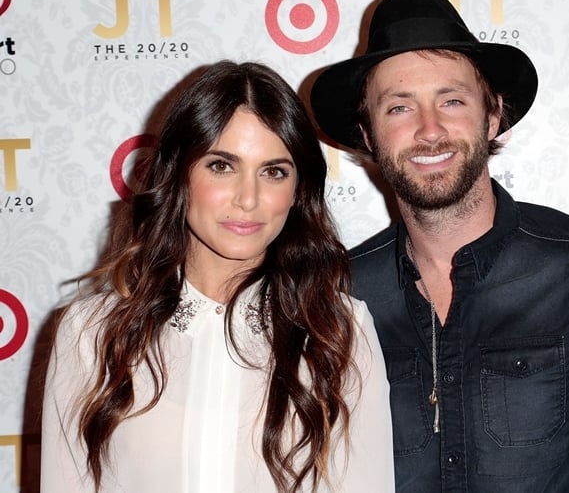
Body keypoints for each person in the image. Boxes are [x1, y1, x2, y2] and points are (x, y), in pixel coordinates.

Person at [309, 0, 569, 492]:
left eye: (452, 100)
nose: (429, 129)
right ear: (368, 133)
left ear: (493, 117)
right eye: (399, 108)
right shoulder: (335, 293)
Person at [41, 60, 394, 493]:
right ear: (179, 174)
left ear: (298, 190)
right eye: (221, 166)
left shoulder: (339, 332)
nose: (248, 198)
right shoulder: (90, 332)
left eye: (274, 171)